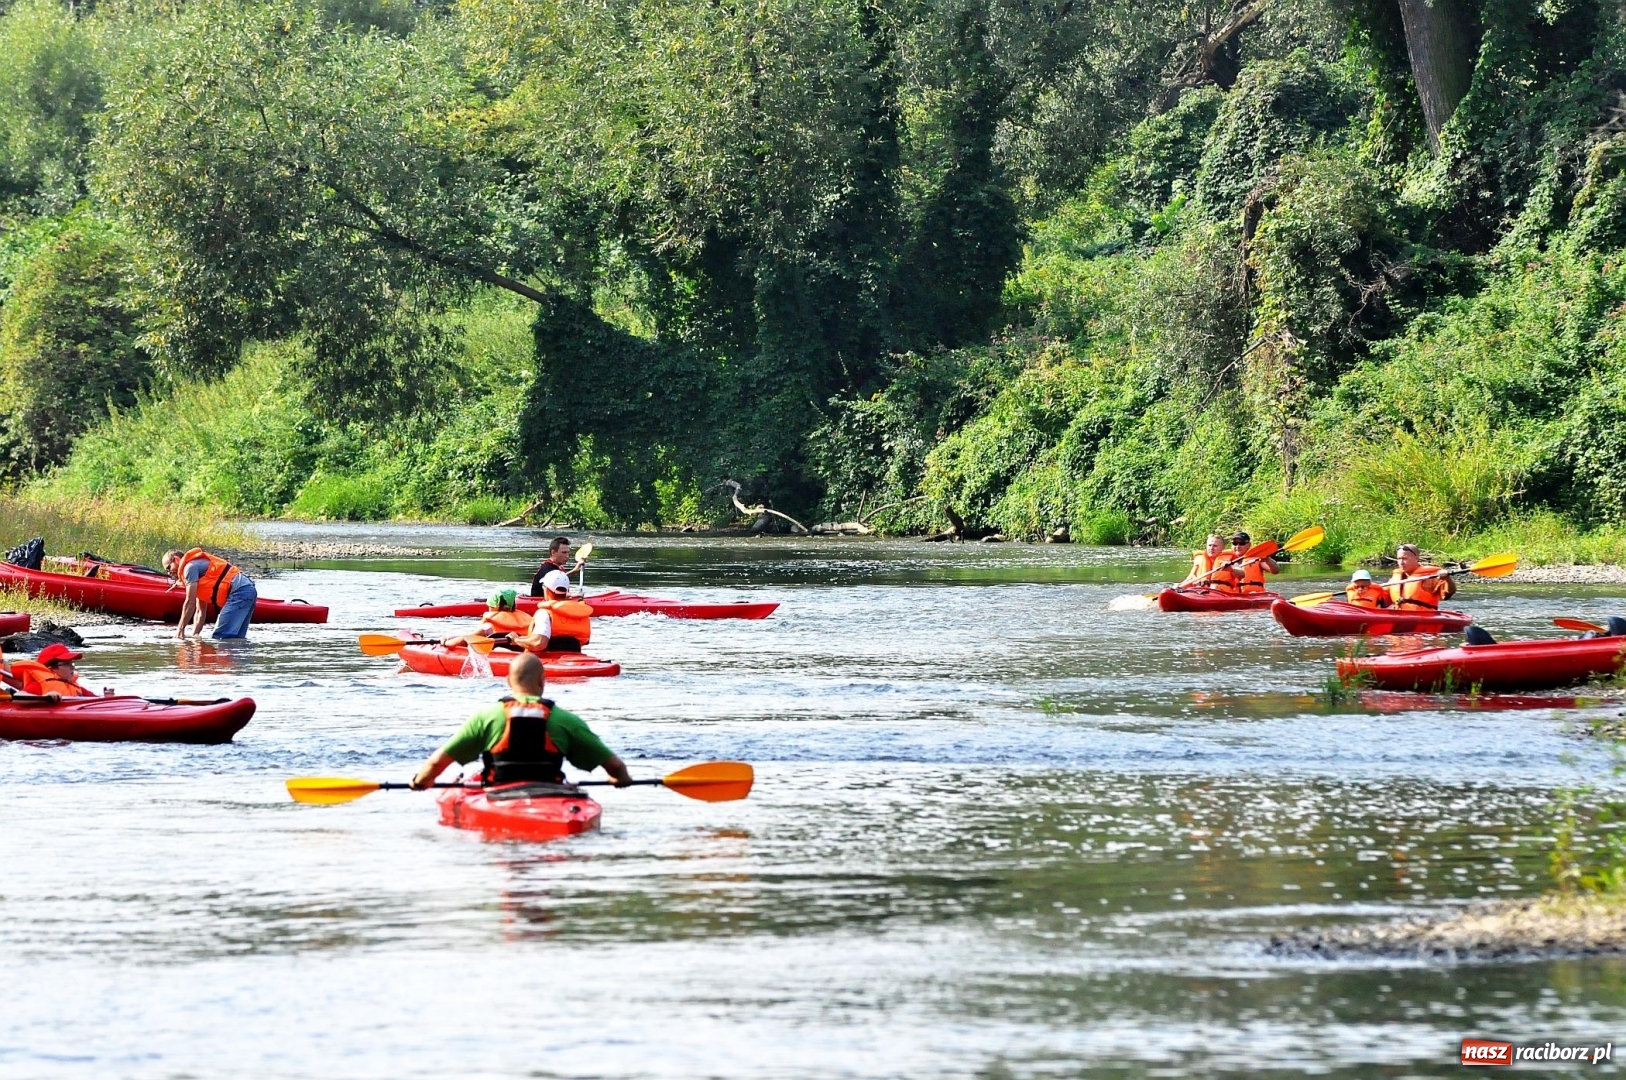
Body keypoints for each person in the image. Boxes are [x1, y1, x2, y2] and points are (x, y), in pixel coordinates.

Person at [409, 651, 633, 789]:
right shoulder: (565, 720)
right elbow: (614, 766)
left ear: (508, 681)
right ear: (543, 681)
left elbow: (435, 764)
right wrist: (620, 779)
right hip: (551, 796)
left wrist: (420, 781)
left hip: (499, 795)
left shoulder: (486, 718)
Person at [162, 548, 258, 640]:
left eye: (169, 567)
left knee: (220, 637)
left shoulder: (189, 568)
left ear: (176, 560)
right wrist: (195, 635)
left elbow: (189, 602)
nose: (169, 573)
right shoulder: (197, 575)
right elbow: (200, 611)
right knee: (236, 639)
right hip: (247, 590)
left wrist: (180, 629)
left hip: (240, 591)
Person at [529, 569, 593, 652]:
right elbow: (586, 641)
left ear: (546, 589)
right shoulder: (581, 613)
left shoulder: (544, 613)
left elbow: (539, 643)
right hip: (575, 658)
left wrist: (517, 640)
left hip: (547, 660)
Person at [446, 590, 533, 649]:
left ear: (493, 607)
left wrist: (445, 643)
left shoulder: (488, 627)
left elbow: (466, 640)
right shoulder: (528, 622)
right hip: (523, 653)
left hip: (500, 654)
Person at [4, 643, 99, 697]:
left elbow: (97, 699)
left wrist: (108, 696)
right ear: (51, 669)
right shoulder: (40, 685)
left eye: (71, 663)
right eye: (67, 664)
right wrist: (45, 697)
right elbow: (19, 696)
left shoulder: (74, 686)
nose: (72, 667)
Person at [1386, 544, 1455, 611]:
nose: (1401, 562)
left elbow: (1447, 594)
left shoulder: (1429, 576)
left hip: (1423, 617)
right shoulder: (1396, 577)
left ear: (1416, 558)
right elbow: (1383, 595)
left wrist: (1446, 579)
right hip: (1400, 615)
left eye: (1404, 558)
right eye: (1399, 559)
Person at [1223, 531, 1278, 595]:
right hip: (1232, 595)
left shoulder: (1256, 558)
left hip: (1253, 594)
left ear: (1249, 545)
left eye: (1242, 543)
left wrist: (1267, 559)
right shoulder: (1225, 560)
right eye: (1235, 543)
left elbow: (1275, 570)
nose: (1238, 546)